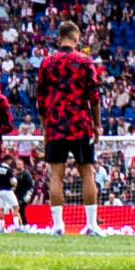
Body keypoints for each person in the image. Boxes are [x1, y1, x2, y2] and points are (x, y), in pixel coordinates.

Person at [35, 25, 104, 213]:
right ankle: (91, 224)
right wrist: (97, 125)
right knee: (87, 172)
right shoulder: (84, 61)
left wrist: (44, 126)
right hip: (79, 124)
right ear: (76, 37)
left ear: (59, 38)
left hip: (56, 125)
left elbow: (40, 99)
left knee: (56, 175)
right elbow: (94, 97)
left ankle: (58, 225)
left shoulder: (47, 62)